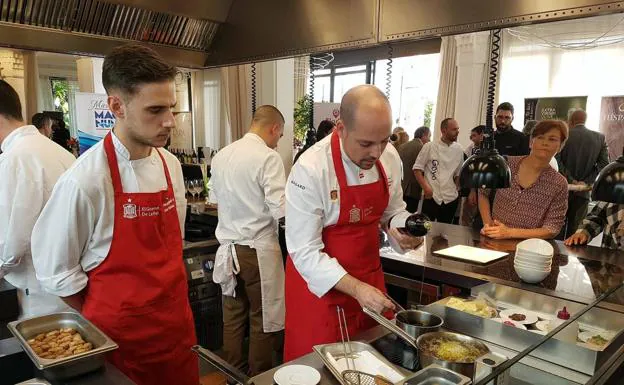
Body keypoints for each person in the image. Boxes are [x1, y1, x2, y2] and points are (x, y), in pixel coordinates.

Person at [31, 44, 197, 385]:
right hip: (120, 348)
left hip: (176, 335)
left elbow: (173, 245)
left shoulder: (171, 165)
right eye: (155, 110)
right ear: (116, 106)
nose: (169, 122)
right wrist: (115, 313)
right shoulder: (85, 180)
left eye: (172, 109)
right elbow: (56, 272)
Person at [283, 85, 423, 360]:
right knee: (321, 369)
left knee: (373, 362)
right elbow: (304, 252)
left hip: (370, 283)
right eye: (365, 143)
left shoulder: (389, 157)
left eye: (383, 140)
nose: (376, 152)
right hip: (320, 293)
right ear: (341, 128)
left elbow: (393, 211)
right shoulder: (311, 169)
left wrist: (404, 228)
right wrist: (355, 288)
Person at [208, 105, 286, 375]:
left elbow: (213, 200)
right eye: (281, 135)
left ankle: (233, 377)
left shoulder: (222, 155)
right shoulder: (268, 157)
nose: (279, 141)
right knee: (261, 319)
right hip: (257, 251)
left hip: (227, 250)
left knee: (232, 317)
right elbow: (281, 208)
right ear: (274, 128)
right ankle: (259, 379)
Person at [0, 80, 75, 319]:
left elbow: (10, 245)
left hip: (39, 294)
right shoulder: (58, 152)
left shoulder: (15, 159)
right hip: (69, 289)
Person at [479, 120, 569, 239]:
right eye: (540, 137)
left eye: (552, 139)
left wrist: (509, 233)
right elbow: (483, 192)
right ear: (531, 142)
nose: (545, 143)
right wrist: (488, 223)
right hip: (493, 238)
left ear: (560, 146)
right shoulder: (506, 164)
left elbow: (552, 228)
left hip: (528, 248)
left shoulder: (559, 183)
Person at [556, 109, 609, 238]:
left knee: (556, 227)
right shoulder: (599, 138)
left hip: (560, 189)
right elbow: (603, 165)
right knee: (576, 230)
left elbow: (556, 160)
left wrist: (571, 180)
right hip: (584, 192)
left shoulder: (563, 135)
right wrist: (585, 182)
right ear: (585, 120)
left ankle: (555, 257)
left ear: (571, 121)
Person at [413, 118, 464, 224]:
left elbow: (458, 172)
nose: (457, 132)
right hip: (432, 195)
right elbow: (417, 169)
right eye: (454, 129)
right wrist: (426, 188)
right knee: (425, 227)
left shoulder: (459, 149)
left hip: (450, 197)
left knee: (445, 232)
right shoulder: (430, 146)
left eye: (458, 129)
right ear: (444, 130)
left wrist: (456, 188)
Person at [398, 126, 430, 213]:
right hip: (415, 187)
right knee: (410, 215)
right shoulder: (423, 148)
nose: (429, 139)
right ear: (424, 135)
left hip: (402, 186)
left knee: (400, 213)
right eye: (429, 136)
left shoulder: (402, 146)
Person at [461, 125, 485, 226]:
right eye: (471, 136)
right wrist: (472, 191)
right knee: (466, 218)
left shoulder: (489, 150)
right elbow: (468, 171)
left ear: (482, 135)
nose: (471, 139)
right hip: (471, 188)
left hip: (485, 189)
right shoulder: (470, 149)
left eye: (474, 136)